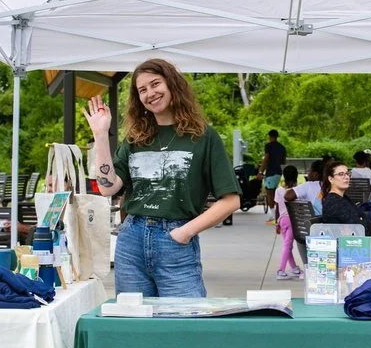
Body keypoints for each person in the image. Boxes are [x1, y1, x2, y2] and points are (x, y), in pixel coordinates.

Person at [83, 57, 241, 297]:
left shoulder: (203, 136)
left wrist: (184, 232)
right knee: (135, 325)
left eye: (155, 84)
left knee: (186, 324)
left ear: (172, 85)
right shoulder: (137, 137)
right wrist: (101, 135)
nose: (150, 93)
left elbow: (231, 201)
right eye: (142, 90)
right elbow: (108, 188)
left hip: (175, 240)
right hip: (131, 242)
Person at [316, 160, 370, 233]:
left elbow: (362, 222)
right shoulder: (334, 202)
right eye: (341, 174)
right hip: (353, 242)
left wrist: (361, 220)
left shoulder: (343, 198)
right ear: (330, 179)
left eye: (347, 173)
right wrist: (361, 219)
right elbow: (360, 227)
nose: (346, 177)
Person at [273, 165, 302, 280]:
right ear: (296, 177)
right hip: (292, 220)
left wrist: (277, 223)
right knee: (288, 245)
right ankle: (281, 270)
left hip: (282, 220)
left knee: (287, 245)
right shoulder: (296, 191)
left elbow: (276, 207)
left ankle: (294, 268)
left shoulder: (279, 190)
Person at [257, 129, 287, 214]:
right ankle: (277, 213)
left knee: (270, 193)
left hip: (271, 172)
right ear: (277, 136)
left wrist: (260, 172)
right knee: (274, 192)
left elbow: (266, 159)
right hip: (278, 172)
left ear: (269, 136)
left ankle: (273, 215)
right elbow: (283, 161)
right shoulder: (282, 147)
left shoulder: (268, 146)